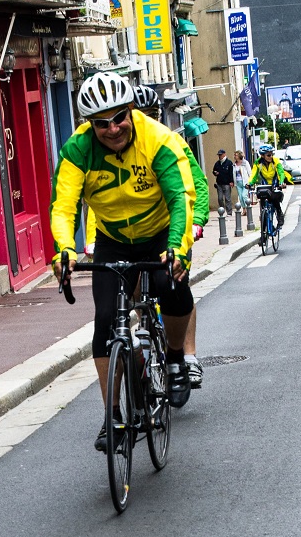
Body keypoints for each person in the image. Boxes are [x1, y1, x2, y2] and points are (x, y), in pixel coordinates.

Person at [50, 72, 196, 452]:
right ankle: (113, 418)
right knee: (104, 320)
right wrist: (64, 248)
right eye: (101, 124)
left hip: (160, 231)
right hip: (113, 241)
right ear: (89, 124)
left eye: (119, 118)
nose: (112, 129)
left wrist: (178, 249)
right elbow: (63, 206)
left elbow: (181, 197)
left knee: (171, 287)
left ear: (131, 111)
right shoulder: (78, 150)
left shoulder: (158, 140)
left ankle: (177, 357)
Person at [132, 84, 206, 388]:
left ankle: (188, 356)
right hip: (139, 232)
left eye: (150, 115)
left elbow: (197, 186)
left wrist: (196, 222)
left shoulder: (172, 143)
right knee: (131, 284)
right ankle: (144, 326)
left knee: (177, 285)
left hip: (174, 226)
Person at [246, 144, 293, 231]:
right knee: (263, 207)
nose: (271, 156)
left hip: (275, 185)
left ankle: (279, 214)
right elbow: (253, 174)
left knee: (275, 199)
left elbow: (281, 173)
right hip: (264, 186)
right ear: (262, 156)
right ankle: (264, 232)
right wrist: (249, 183)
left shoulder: (276, 161)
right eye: (268, 155)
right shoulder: (258, 163)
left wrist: (281, 182)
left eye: (272, 154)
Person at [213, 148, 234, 215]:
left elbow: (231, 173)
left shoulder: (229, 163)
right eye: (219, 155)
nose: (219, 156)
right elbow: (214, 171)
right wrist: (215, 173)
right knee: (220, 198)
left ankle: (229, 212)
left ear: (224, 154)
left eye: (221, 155)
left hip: (227, 183)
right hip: (219, 183)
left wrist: (231, 181)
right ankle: (222, 210)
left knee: (227, 198)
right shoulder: (217, 163)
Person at [233, 150, 252, 214]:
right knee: (240, 197)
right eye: (235, 155)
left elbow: (250, 172)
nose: (235, 156)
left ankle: (248, 208)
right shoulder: (234, 164)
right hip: (238, 182)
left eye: (236, 155)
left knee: (244, 195)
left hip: (245, 182)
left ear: (239, 156)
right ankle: (244, 209)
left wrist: (250, 181)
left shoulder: (245, 163)